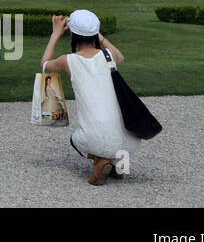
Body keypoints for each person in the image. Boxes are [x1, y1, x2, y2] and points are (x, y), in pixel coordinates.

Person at [39, 11, 137, 185]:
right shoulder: (109, 56)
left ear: (72, 34)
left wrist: (55, 35)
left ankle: (100, 163)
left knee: (76, 139)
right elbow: (121, 58)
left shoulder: (68, 60)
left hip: (95, 138)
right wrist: (100, 37)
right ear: (96, 33)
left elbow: (45, 65)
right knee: (115, 137)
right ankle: (120, 164)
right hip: (130, 139)